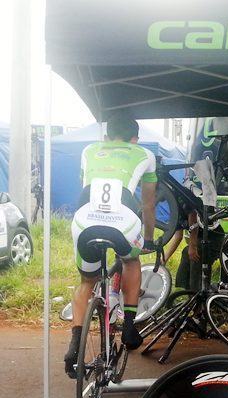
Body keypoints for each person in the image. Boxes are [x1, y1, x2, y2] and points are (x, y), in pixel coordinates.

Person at [64, 115, 157, 378]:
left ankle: (75, 344)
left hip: (84, 220)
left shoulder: (89, 150)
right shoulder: (144, 154)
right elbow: (148, 205)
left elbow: (86, 184)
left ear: (106, 137)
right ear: (134, 139)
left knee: (86, 282)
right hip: (123, 220)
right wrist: (147, 239)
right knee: (131, 261)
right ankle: (129, 326)